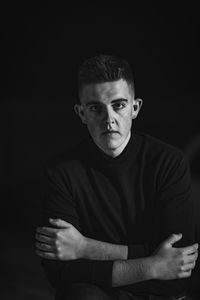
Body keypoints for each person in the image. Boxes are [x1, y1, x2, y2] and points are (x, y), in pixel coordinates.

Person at [35, 55, 198, 300]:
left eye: (118, 105)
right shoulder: (61, 173)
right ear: (81, 113)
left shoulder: (169, 162)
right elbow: (60, 273)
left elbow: (178, 271)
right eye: (95, 108)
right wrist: (152, 266)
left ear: (135, 108)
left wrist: (84, 248)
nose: (108, 119)